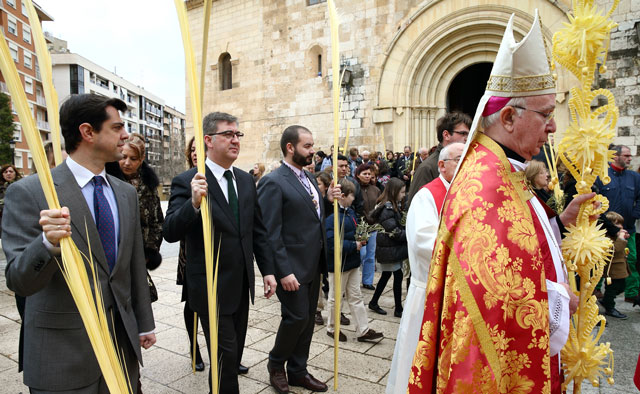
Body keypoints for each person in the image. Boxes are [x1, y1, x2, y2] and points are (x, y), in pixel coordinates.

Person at [408, 12, 586, 393]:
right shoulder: (487, 182)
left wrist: (559, 224)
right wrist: (557, 298)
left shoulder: (505, 169)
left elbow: (520, 245)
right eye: (546, 115)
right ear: (507, 116)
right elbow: (492, 296)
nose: (553, 127)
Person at [3, 93, 155, 392]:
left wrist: (144, 322)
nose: (125, 135)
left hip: (121, 350)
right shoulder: (31, 192)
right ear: (87, 132)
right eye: (116, 127)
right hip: (63, 353)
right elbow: (18, 280)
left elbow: (133, 266)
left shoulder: (125, 194)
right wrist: (46, 244)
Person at [163, 112, 276, 393]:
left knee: (231, 355)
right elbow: (170, 231)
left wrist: (269, 270)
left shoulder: (246, 180)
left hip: (240, 284)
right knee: (225, 356)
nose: (235, 140)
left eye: (238, 134)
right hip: (210, 286)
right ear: (208, 140)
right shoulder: (188, 180)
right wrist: (193, 203)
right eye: (228, 134)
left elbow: (256, 232)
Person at [258, 125, 340, 394]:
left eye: (313, 145)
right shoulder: (274, 181)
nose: (313, 150)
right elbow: (271, 231)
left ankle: (297, 370)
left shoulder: (309, 177)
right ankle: (275, 364)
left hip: (313, 263)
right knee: (296, 318)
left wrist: (327, 201)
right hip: (290, 267)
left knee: (306, 320)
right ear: (290, 147)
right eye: (307, 146)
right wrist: (283, 271)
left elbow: (308, 215)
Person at [386, 142, 463, 394]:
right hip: (431, 289)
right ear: (442, 165)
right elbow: (424, 243)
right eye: (459, 159)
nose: (466, 165)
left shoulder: (466, 194)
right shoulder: (427, 196)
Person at [325, 178, 384, 343]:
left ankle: (363, 330)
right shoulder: (332, 217)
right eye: (352, 196)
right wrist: (354, 244)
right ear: (343, 196)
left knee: (356, 296)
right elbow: (332, 244)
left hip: (352, 262)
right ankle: (332, 328)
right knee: (336, 297)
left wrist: (361, 236)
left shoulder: (350, 212)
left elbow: (354, 228)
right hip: (339, 264)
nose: (354, 199)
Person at [595, 144, 640, 305]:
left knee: (631, 259)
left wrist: (634, 215)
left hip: (628, 228)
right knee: (601, 260)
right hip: (605, 230)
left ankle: (631, 293)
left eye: (630, 156)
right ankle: (597, 289)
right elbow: (595, 200)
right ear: (615, 156)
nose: (630, 158)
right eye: (627, 156)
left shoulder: (635, 177)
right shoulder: (602, 176)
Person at [175, 136, 205, 371]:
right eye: (192, 150)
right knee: (192, 301)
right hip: (191, 250)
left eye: (199, 150)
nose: (195, 153)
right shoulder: (184, 180)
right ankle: (194, 348)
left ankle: (228, 354)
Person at [406, 112, 471, 205]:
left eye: (468, 134)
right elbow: (416, 206)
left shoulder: (468, 162)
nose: (466, 138)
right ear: (446, 135)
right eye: (463, 133)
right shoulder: (427, 168)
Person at [368, 177, 407, 317]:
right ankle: (398, 308)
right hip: (389, 247)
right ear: (394, 191)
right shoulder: (387, 208)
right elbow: (394, 231)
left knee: (387, 275)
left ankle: (374, 302)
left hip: (389, 247)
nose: (403, 195)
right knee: (397, 275)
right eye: (402, 192)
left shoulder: (391, 205)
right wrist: (406, 234)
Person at [600, 211, 630, 319]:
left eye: (621, 224)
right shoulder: (606, 238)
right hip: (612, 270)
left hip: (620, 268)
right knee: (612, 289)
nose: (620, 227)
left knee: (621, 287)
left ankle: (606, 300)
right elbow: (615, 249)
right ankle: (610, 307)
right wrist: (621, 238)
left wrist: (623, 238)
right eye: (617, 224)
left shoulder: (616, 237)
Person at [355, 163, 380, 290]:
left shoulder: (375, 190)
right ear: (358, 175)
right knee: (361, 254)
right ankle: (354, 281)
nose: (367, 176)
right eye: (364, 174)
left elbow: (379, 205)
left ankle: (367, 281)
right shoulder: (355, 188)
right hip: (361, 226)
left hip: (373, 226)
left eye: (369, 174)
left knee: (370, 255)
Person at [0, 164, 22, 237]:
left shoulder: (22, 186)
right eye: (5, 172)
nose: (8, 173)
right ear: (2, 174)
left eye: (10, 171)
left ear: (15, 173)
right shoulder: (1, 188)